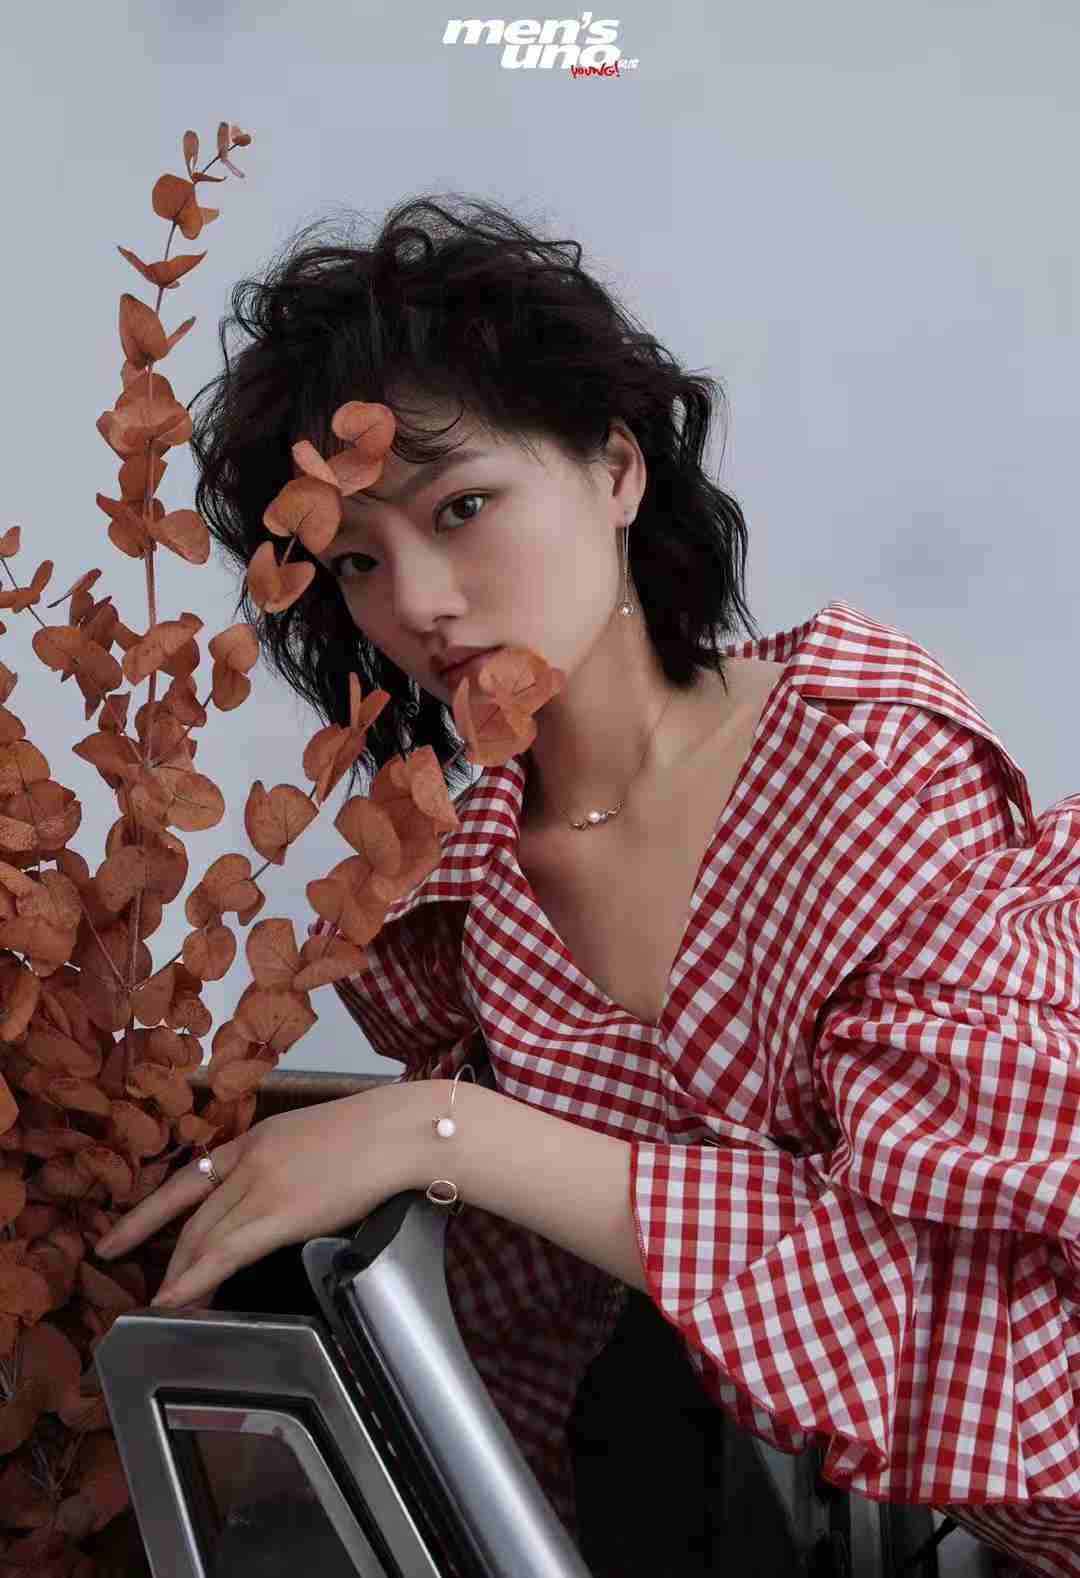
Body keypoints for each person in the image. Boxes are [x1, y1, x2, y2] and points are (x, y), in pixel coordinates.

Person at [95, 195, 1080, 1578]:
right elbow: (519, 1344)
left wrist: (443, 1127)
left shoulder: (861, 762)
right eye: (359, 560)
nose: (419, 602)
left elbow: (976, 1330)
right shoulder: (462, 904)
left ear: (617, 469)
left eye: (463, 508)